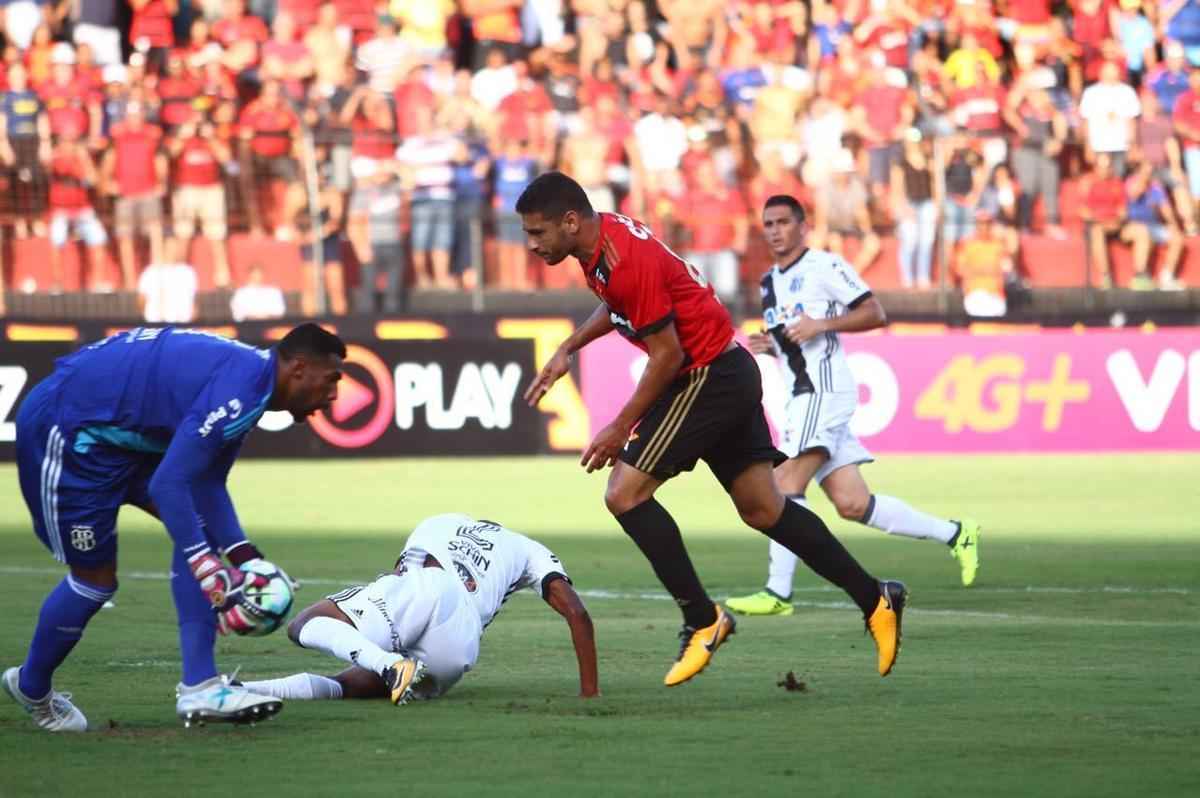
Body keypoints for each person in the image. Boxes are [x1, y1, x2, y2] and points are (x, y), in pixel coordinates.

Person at [517, 172, 906, 686]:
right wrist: (570, 346)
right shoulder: (601, 240)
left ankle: (702, 619)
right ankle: (876, 598)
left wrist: (619, 426)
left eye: (538, 233)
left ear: (570, 222)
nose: (532, 244)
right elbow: (619, 305)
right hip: (727, 369)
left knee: (625, 495)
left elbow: (667, 355)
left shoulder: (621, 258)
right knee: (764, 509)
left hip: (704, 376)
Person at [3, 324, 346, 732]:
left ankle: (200, 686)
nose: (333, 396)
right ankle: (31, 686)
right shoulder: (239, 392)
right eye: (330, 381)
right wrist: (206, 567)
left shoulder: (252, 388)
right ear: (299, 370)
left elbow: (206, 483)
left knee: (198, 526)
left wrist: (244, 556)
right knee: (95, 580)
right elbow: (169, 484)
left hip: (120, 438)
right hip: (69, 431)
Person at [726, 196, 981, 617]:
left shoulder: (824, 266)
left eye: (783, 222)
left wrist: (821, 324)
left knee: (783, 484)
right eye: (768, 223)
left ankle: (778, 592)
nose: (774, 230)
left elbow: (874, 312)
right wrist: (774, 345)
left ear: (803, 226)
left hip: (824, 392)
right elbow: (797, 337)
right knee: (853, 504)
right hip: (800, 395)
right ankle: (956, 534)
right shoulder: (769, 280)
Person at [242, 513, 599, 704]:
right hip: (460, 645)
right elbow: (576, 612)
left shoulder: (438, 522)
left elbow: (403, 576)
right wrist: (589, 692)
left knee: (305, 624)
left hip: (431, 585)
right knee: (352, 686)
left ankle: (390, 664)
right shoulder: (529, 549)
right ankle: (246, 689)